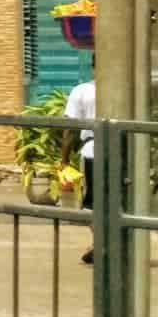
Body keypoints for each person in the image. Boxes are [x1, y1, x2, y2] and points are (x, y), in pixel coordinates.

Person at [61, 74, 99, 265]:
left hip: (92, 152)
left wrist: (65, 159)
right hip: (123, 152)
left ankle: (100, 242)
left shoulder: (82, 91)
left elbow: (70, 128)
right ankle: (101, 243)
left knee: (90, 203)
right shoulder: (129, 89)